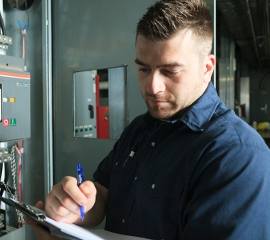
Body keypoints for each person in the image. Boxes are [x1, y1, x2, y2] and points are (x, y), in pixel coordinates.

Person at [26, 0, 270, 239]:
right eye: (144, 69)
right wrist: (78, 206)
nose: (153, 87)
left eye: (170, 71)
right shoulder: (139, 129)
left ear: (207, 68)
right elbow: (103, 196)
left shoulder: (237, 154)